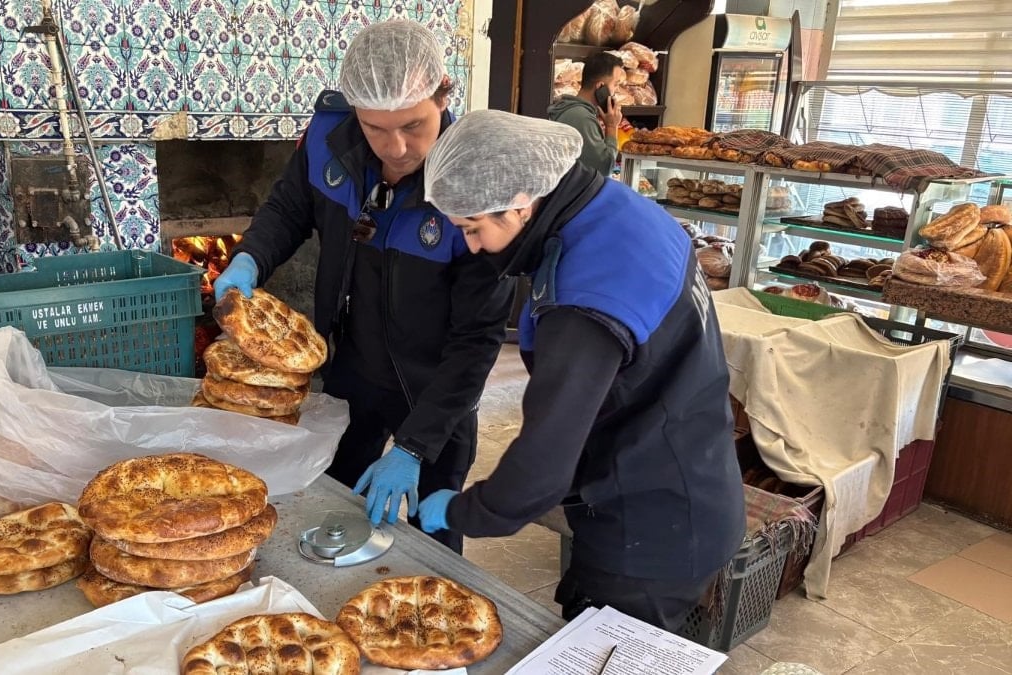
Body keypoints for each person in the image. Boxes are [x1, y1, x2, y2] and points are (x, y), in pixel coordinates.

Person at [416, 109, 746, 632]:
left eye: (473, 229)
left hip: (651, 528)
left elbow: (543, 463)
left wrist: (463, 511)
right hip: (692, 468)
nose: (473, 247)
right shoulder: (615, 208)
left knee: (612, 651)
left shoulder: (585, 302)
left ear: (521, 204)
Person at [212, 20, 514, 553]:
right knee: (336, 511)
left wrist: (416, 446)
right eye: (376, 128)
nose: (396, 148)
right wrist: (248, 259)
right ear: (355, 110)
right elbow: (288, 209)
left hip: (437, 388)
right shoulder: (328, 140)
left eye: (414, 125)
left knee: (432, 542)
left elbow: (478, 339)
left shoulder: (476, 179)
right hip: (352, 370)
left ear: (444, 95)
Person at [547, 52, 626, 176]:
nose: (616, 91)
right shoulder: (581, 118)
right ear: (600, 86)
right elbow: (604, 169)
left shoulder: (574, 110)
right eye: (615, 84)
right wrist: (612, 127)